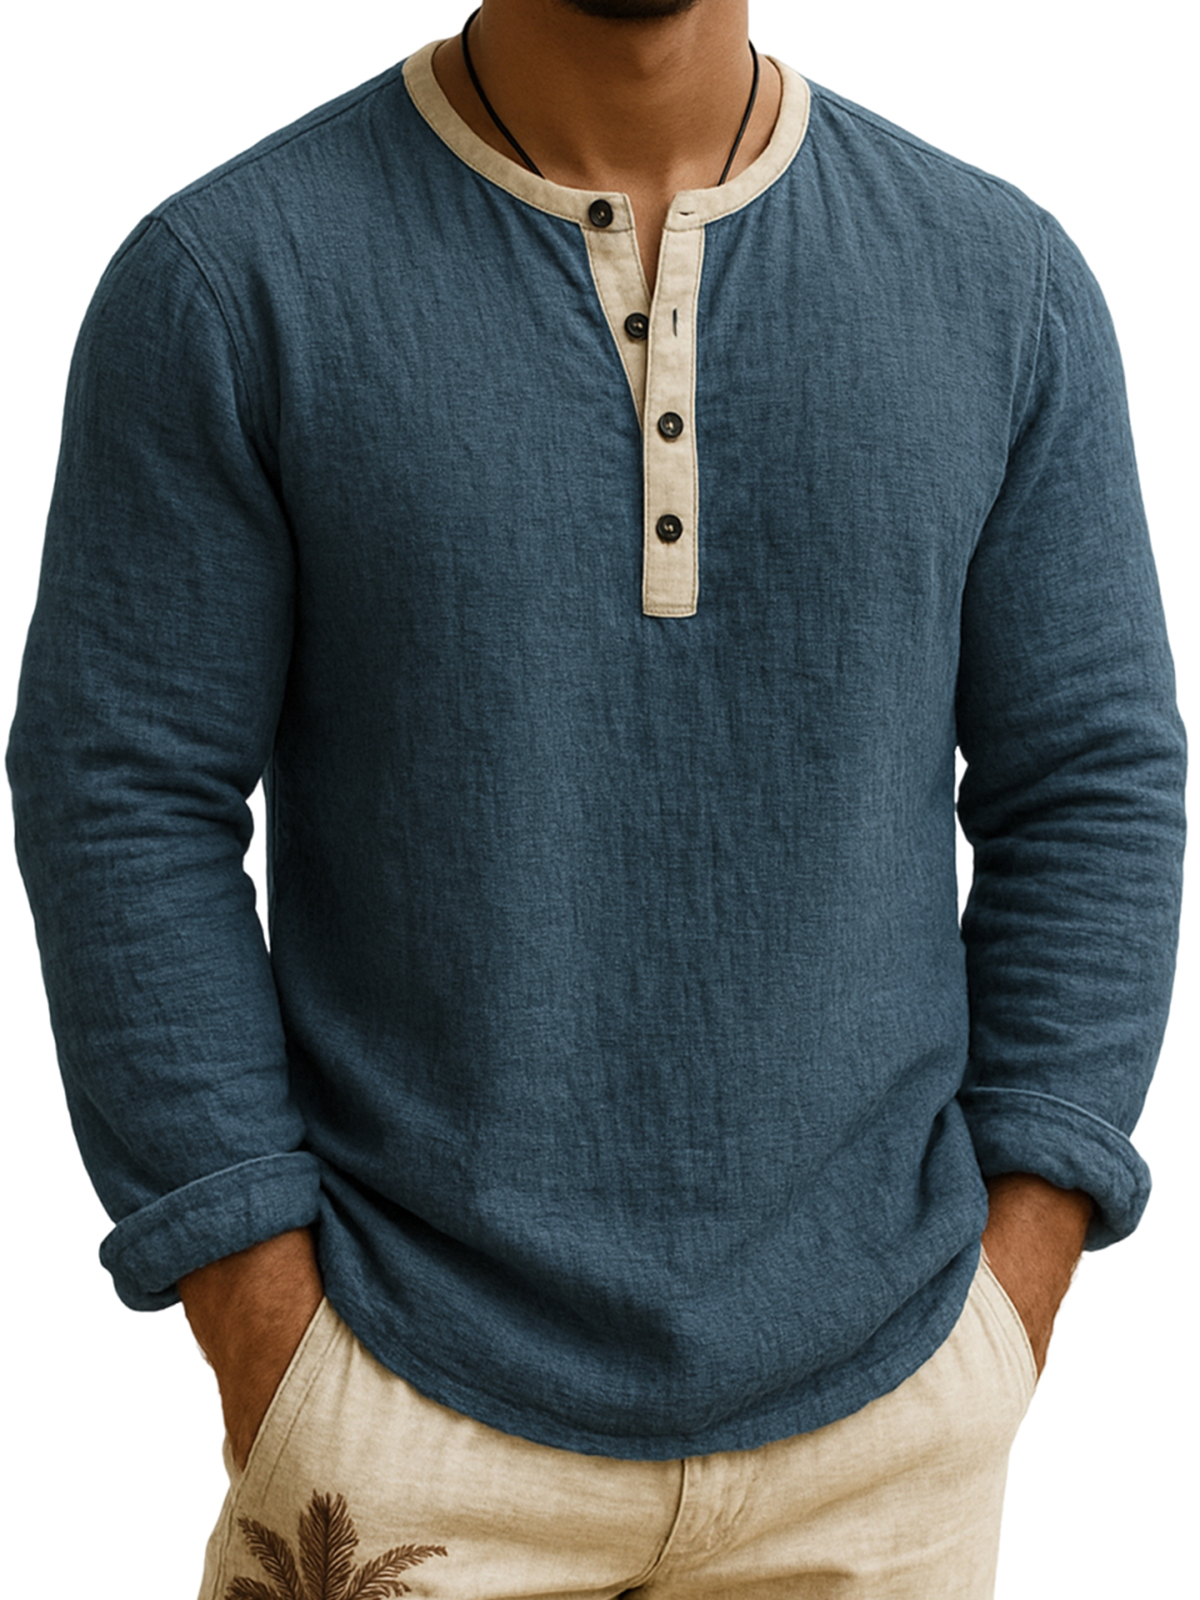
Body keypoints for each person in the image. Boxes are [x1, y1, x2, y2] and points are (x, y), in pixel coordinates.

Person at [6, 0, 1186, 1595]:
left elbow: (1093, 778)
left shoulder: (1000, 283)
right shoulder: (231, 282)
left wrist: (1014, 1285)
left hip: (889, 1426)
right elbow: (123, 790)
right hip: (402, 1419)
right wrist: (257, 1310)